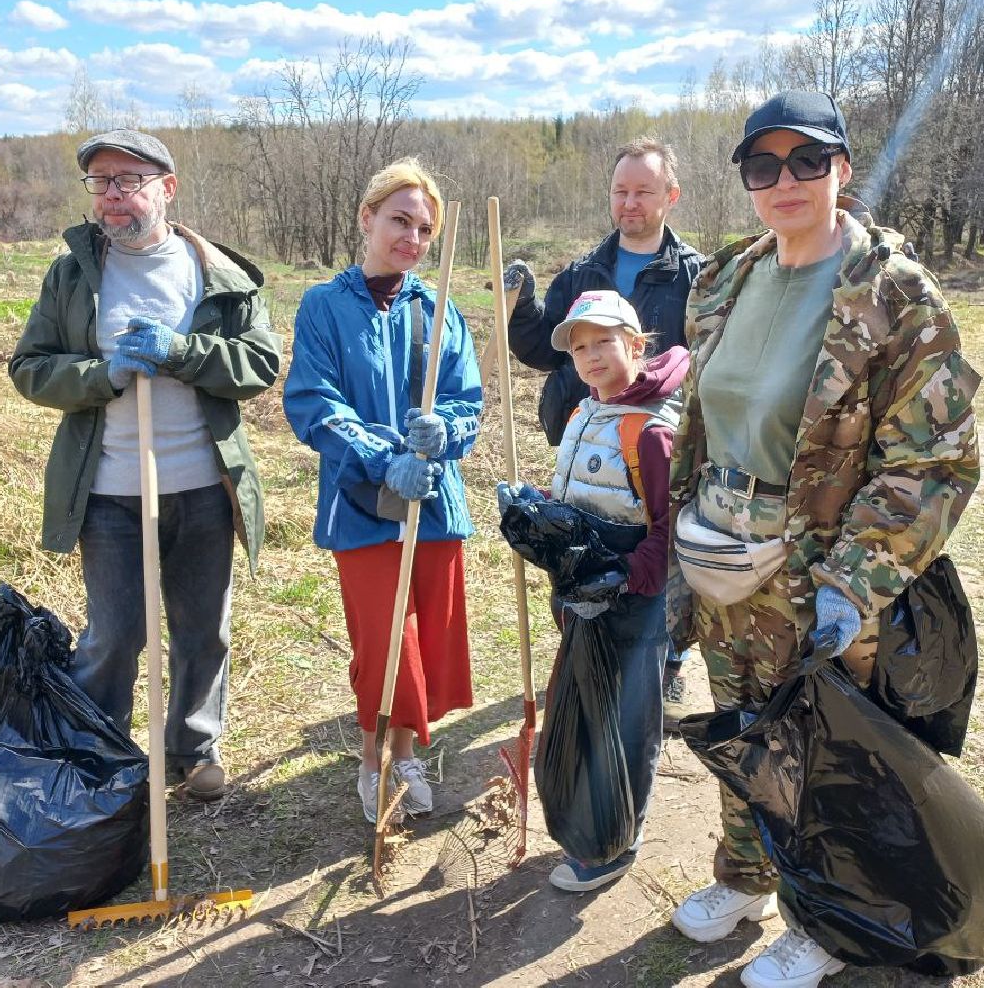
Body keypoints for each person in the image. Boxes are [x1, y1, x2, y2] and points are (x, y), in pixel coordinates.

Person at [664, 91, 980, 988]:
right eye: (762, 166)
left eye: (807, 160)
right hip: (725, 557)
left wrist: (852, 581)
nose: (785, 181)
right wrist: (681, 540)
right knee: (742, 733)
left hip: (825, 575)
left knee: (826, 758)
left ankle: (826, 921)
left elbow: (935, 462)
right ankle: (747, 876)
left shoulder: (893, 295)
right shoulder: (724, 279)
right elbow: (702, 423)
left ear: (844, 166)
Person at [9, 129, 282, 803]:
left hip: (202, 488)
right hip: (108, 493)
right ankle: (101, 758)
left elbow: (260, 365)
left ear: (167, 187)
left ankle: (191, 751)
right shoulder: (73, 275)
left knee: (202, 631)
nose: (112, 198)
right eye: (100, 183)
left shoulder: (220, 274)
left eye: (128, 181)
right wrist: (102, 373)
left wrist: (184, 353)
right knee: (116, 633)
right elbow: (30, 369)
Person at [283, 158, 483, 824]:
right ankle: (373, 763)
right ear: (367, 217)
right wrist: (379, 457)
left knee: (427, 644)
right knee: (384, 643)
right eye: (400, 220)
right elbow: (312, 401)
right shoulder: (323, 306)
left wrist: (443, 431)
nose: (412, 238)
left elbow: (467, 402)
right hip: (364, 506)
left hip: (433, 502)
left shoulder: (440, 308)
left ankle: (406, 755)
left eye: (424, 228)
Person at [502, 136, 704, 722]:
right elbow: (544, 350)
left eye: (643, 191)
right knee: (584, 554)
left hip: (653, 448)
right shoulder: (584, 271)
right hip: (584, 436)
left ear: (671, 196)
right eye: (621, 191)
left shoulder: (692, 275)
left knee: (658, 548)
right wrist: (522, 305)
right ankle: (584, 647)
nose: (630, 202)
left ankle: (664, 665)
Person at [498, 289, 687, 892]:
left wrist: (627, 577)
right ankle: (587, 820)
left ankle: (616, 838)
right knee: (581, 707)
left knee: (626, 718)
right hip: (580, 592)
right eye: (578, 347)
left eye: (603, 341)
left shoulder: (651, 433)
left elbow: (668, 529)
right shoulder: (583, 414)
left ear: (636, 344)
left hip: (631, 601)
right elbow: (578, 496)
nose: (590, 356)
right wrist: (539, 514)